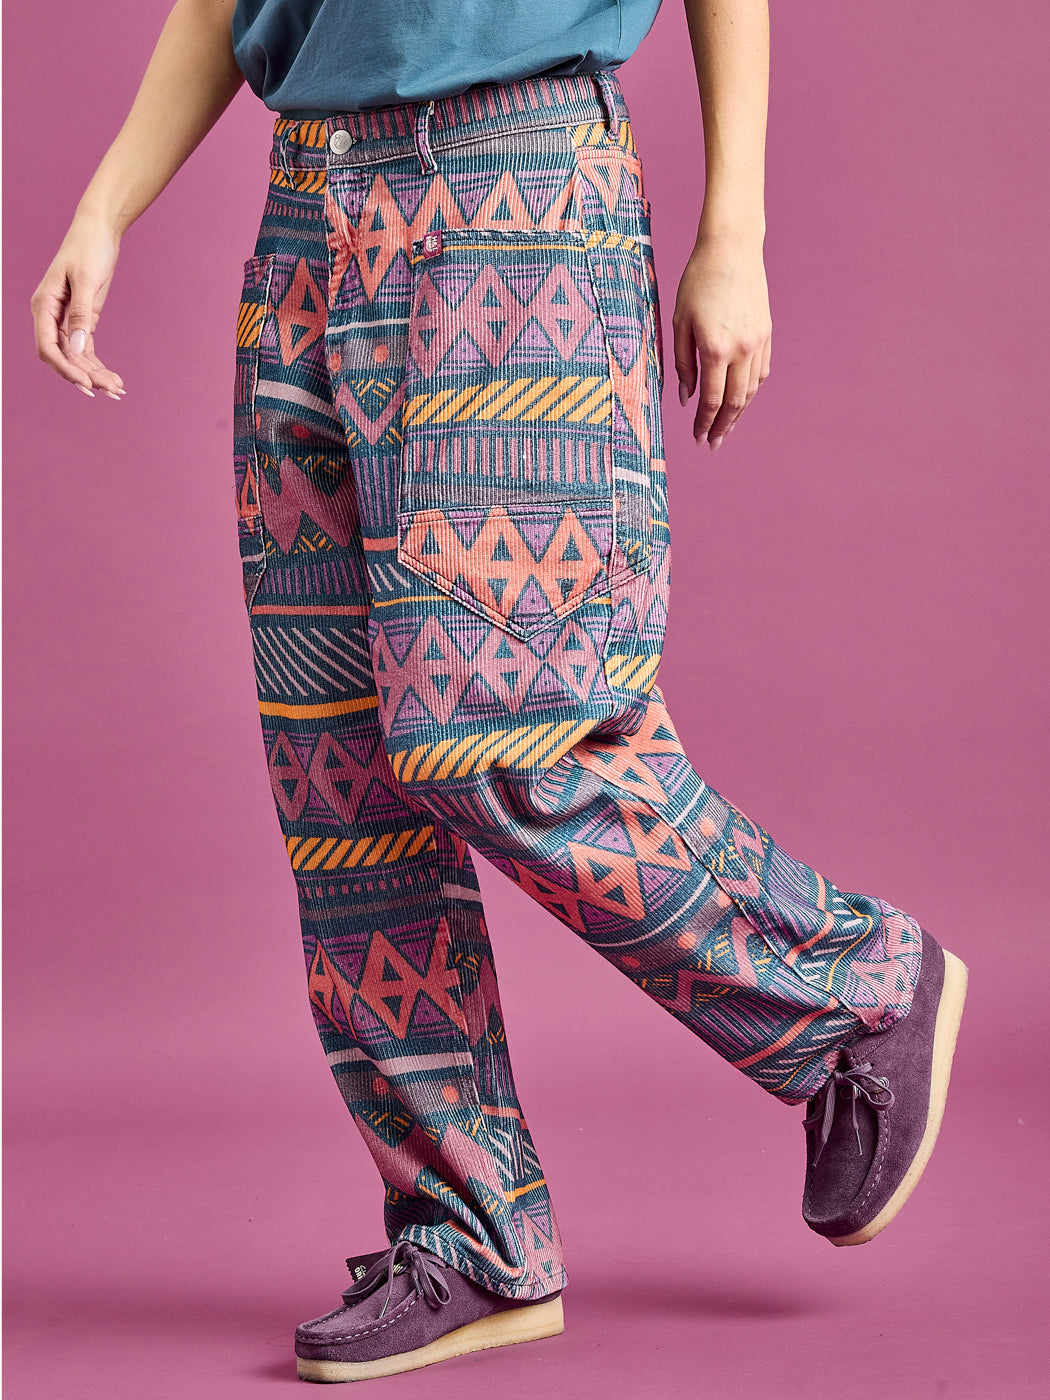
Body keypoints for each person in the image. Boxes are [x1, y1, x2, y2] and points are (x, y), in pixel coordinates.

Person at [31, 0, 968, 1384]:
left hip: (515, 191)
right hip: (307, 211)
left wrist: (735, 230)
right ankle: (471, 1233)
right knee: (338, 777)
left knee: (504, 733)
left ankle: (853, 989)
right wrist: (106, 205)